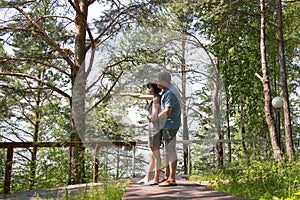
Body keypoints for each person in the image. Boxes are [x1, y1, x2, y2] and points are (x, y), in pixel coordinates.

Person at [119, 80, 162, 186]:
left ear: (154, 88)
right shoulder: (154, 97)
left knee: (156, 154)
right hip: (152, 128)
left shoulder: (156, 99)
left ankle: (156, 178)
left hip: (155, 129)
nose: (148, 89)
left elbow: (155, 117)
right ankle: (147, 177)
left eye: (149, 87)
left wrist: (148, 116)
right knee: (152, 154)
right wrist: (126, 94)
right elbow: (139, 96)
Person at [156, 71, 181, 187]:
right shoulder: (167, 91)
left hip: (170, 125)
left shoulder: (170, 92)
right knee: (167, 151)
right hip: (167, 125)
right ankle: (167, 176)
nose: (157, 83)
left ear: (163, 82)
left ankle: (172, 178)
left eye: (158, 81)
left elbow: (168, 111)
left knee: (170, 151)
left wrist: (155, 117)